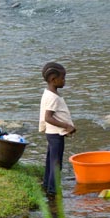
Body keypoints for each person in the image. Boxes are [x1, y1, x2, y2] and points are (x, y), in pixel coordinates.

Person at [39, 62, 76, 197]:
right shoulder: (53, 98)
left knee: (50, 160)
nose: (64, 80)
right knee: (56, 163)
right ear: (54, 80)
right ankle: (53, 191)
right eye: (63, 78)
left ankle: (47, 185)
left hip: (52, 133)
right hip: (55, 136)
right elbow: (48, 117)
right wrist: (67, 126)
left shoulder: (48, 93)